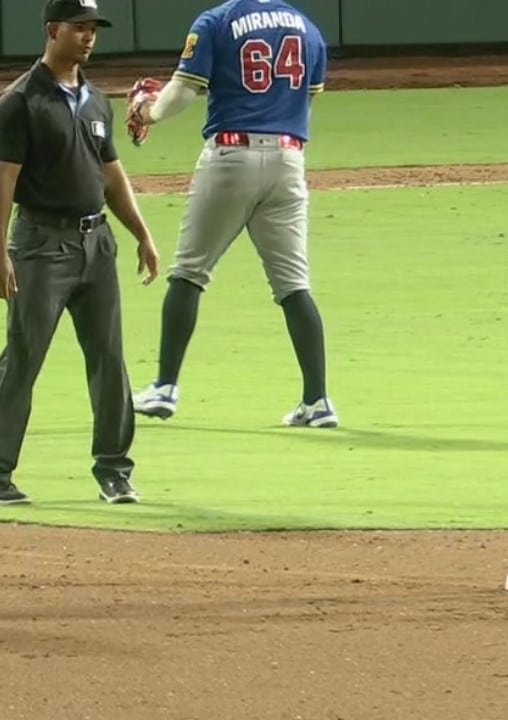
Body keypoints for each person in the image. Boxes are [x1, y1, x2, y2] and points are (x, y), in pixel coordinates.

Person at [125, 0, 337, 428]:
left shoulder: (217, 20)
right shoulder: (308, 29)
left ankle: (164, 388)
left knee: (188, 273)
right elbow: (305, 98)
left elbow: (181, 93)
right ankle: (317, 401)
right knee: (294, 285)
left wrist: (148, 111)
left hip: (231, 157)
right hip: (289, 160)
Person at [0, 0, 161, 506]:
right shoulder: (19, 101)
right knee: (23, 357)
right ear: (52, 30)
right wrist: (0, 253)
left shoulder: (95, 101)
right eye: (79, 27)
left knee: (109, 358)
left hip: (97, 244)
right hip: (39, 245)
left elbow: (111, 175)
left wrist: (141, 233)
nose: (89, 36)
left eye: (93, 28)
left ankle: (114, 470)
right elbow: (4, 182)